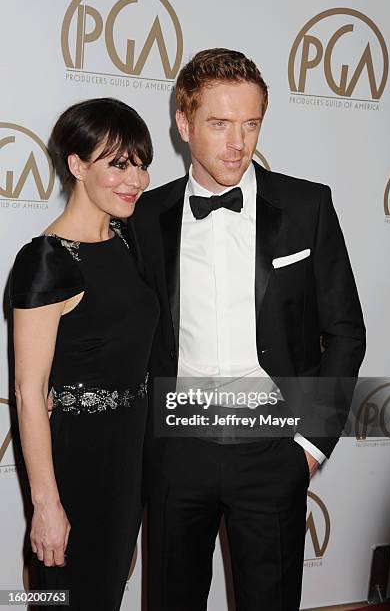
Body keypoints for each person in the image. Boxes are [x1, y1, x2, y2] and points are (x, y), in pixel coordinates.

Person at [130, 49, 366, 610]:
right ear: (183, 125)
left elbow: (346, 330)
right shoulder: (145, 216)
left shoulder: (307, 206)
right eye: (219, 124)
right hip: (176, 449)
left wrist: (309, 445)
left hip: (273, 445)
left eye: (251, 123)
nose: (238, 143)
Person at [10, 97, 159, 611]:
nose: (134, 179)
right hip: (74, 465)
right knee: (63, 599)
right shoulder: (46, 262)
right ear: (76, 165)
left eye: (140, 163)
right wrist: (46, 505)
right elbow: (29, 394)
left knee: (105, 593)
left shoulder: (127, 238)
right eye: (117, 163)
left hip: (127, 459)